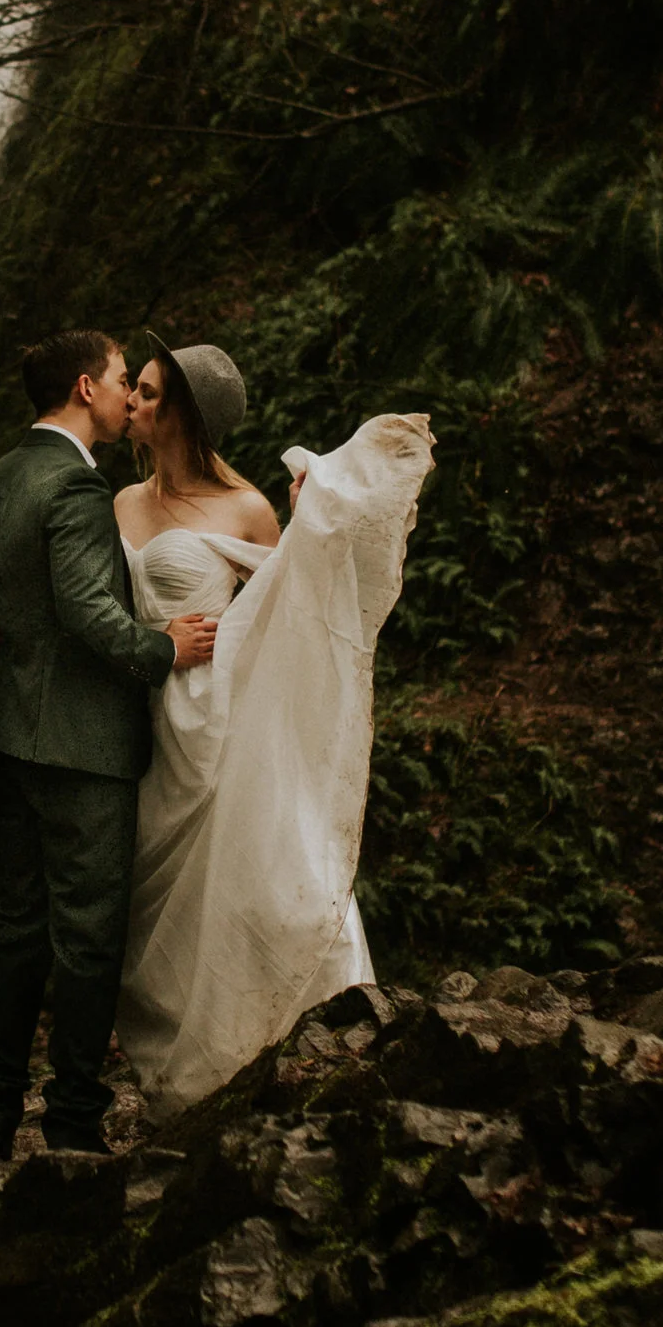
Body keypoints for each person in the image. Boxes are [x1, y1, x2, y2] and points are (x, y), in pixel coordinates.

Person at [114, 342, 433, 1118]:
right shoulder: (119, 503)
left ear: (181, 414)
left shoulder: (248, 508)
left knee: (245, 870)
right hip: (139, 713)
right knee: (151, 907)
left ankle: (264, 1043)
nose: (132, 402)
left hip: (215, 715)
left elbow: (291, 603)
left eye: (149, 394)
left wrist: (307, 524)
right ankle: (180, 1076)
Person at [0, 330, 218, 1158]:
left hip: (2, 736)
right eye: (114, 380)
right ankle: (71, 1122)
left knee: (19, 926)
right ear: (82, 388)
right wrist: (164, 650)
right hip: (79, 746)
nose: (123, 395)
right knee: (89, 936)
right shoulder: (74, 486)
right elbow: (88, 612)